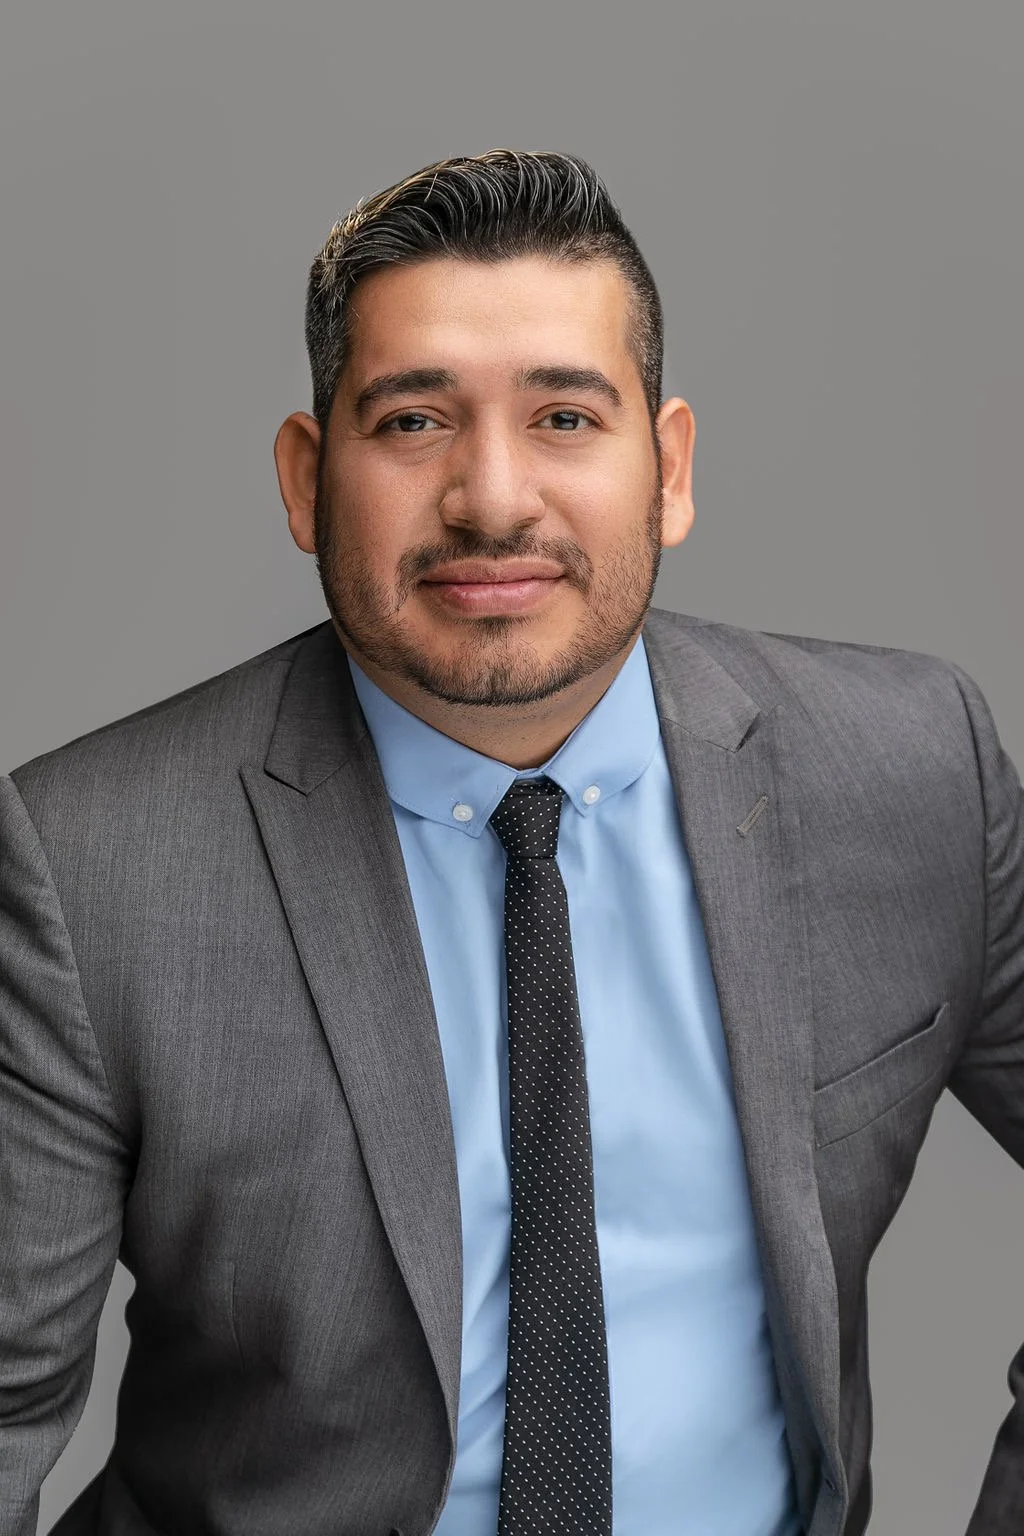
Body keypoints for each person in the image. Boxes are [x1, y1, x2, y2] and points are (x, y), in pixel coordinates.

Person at [0, 149, 1021, 1536]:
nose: (492, 497)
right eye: (414, 422)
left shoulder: (910, 772)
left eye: (563, 417)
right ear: (308, 480)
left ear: (667, 471)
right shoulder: (89, 866)